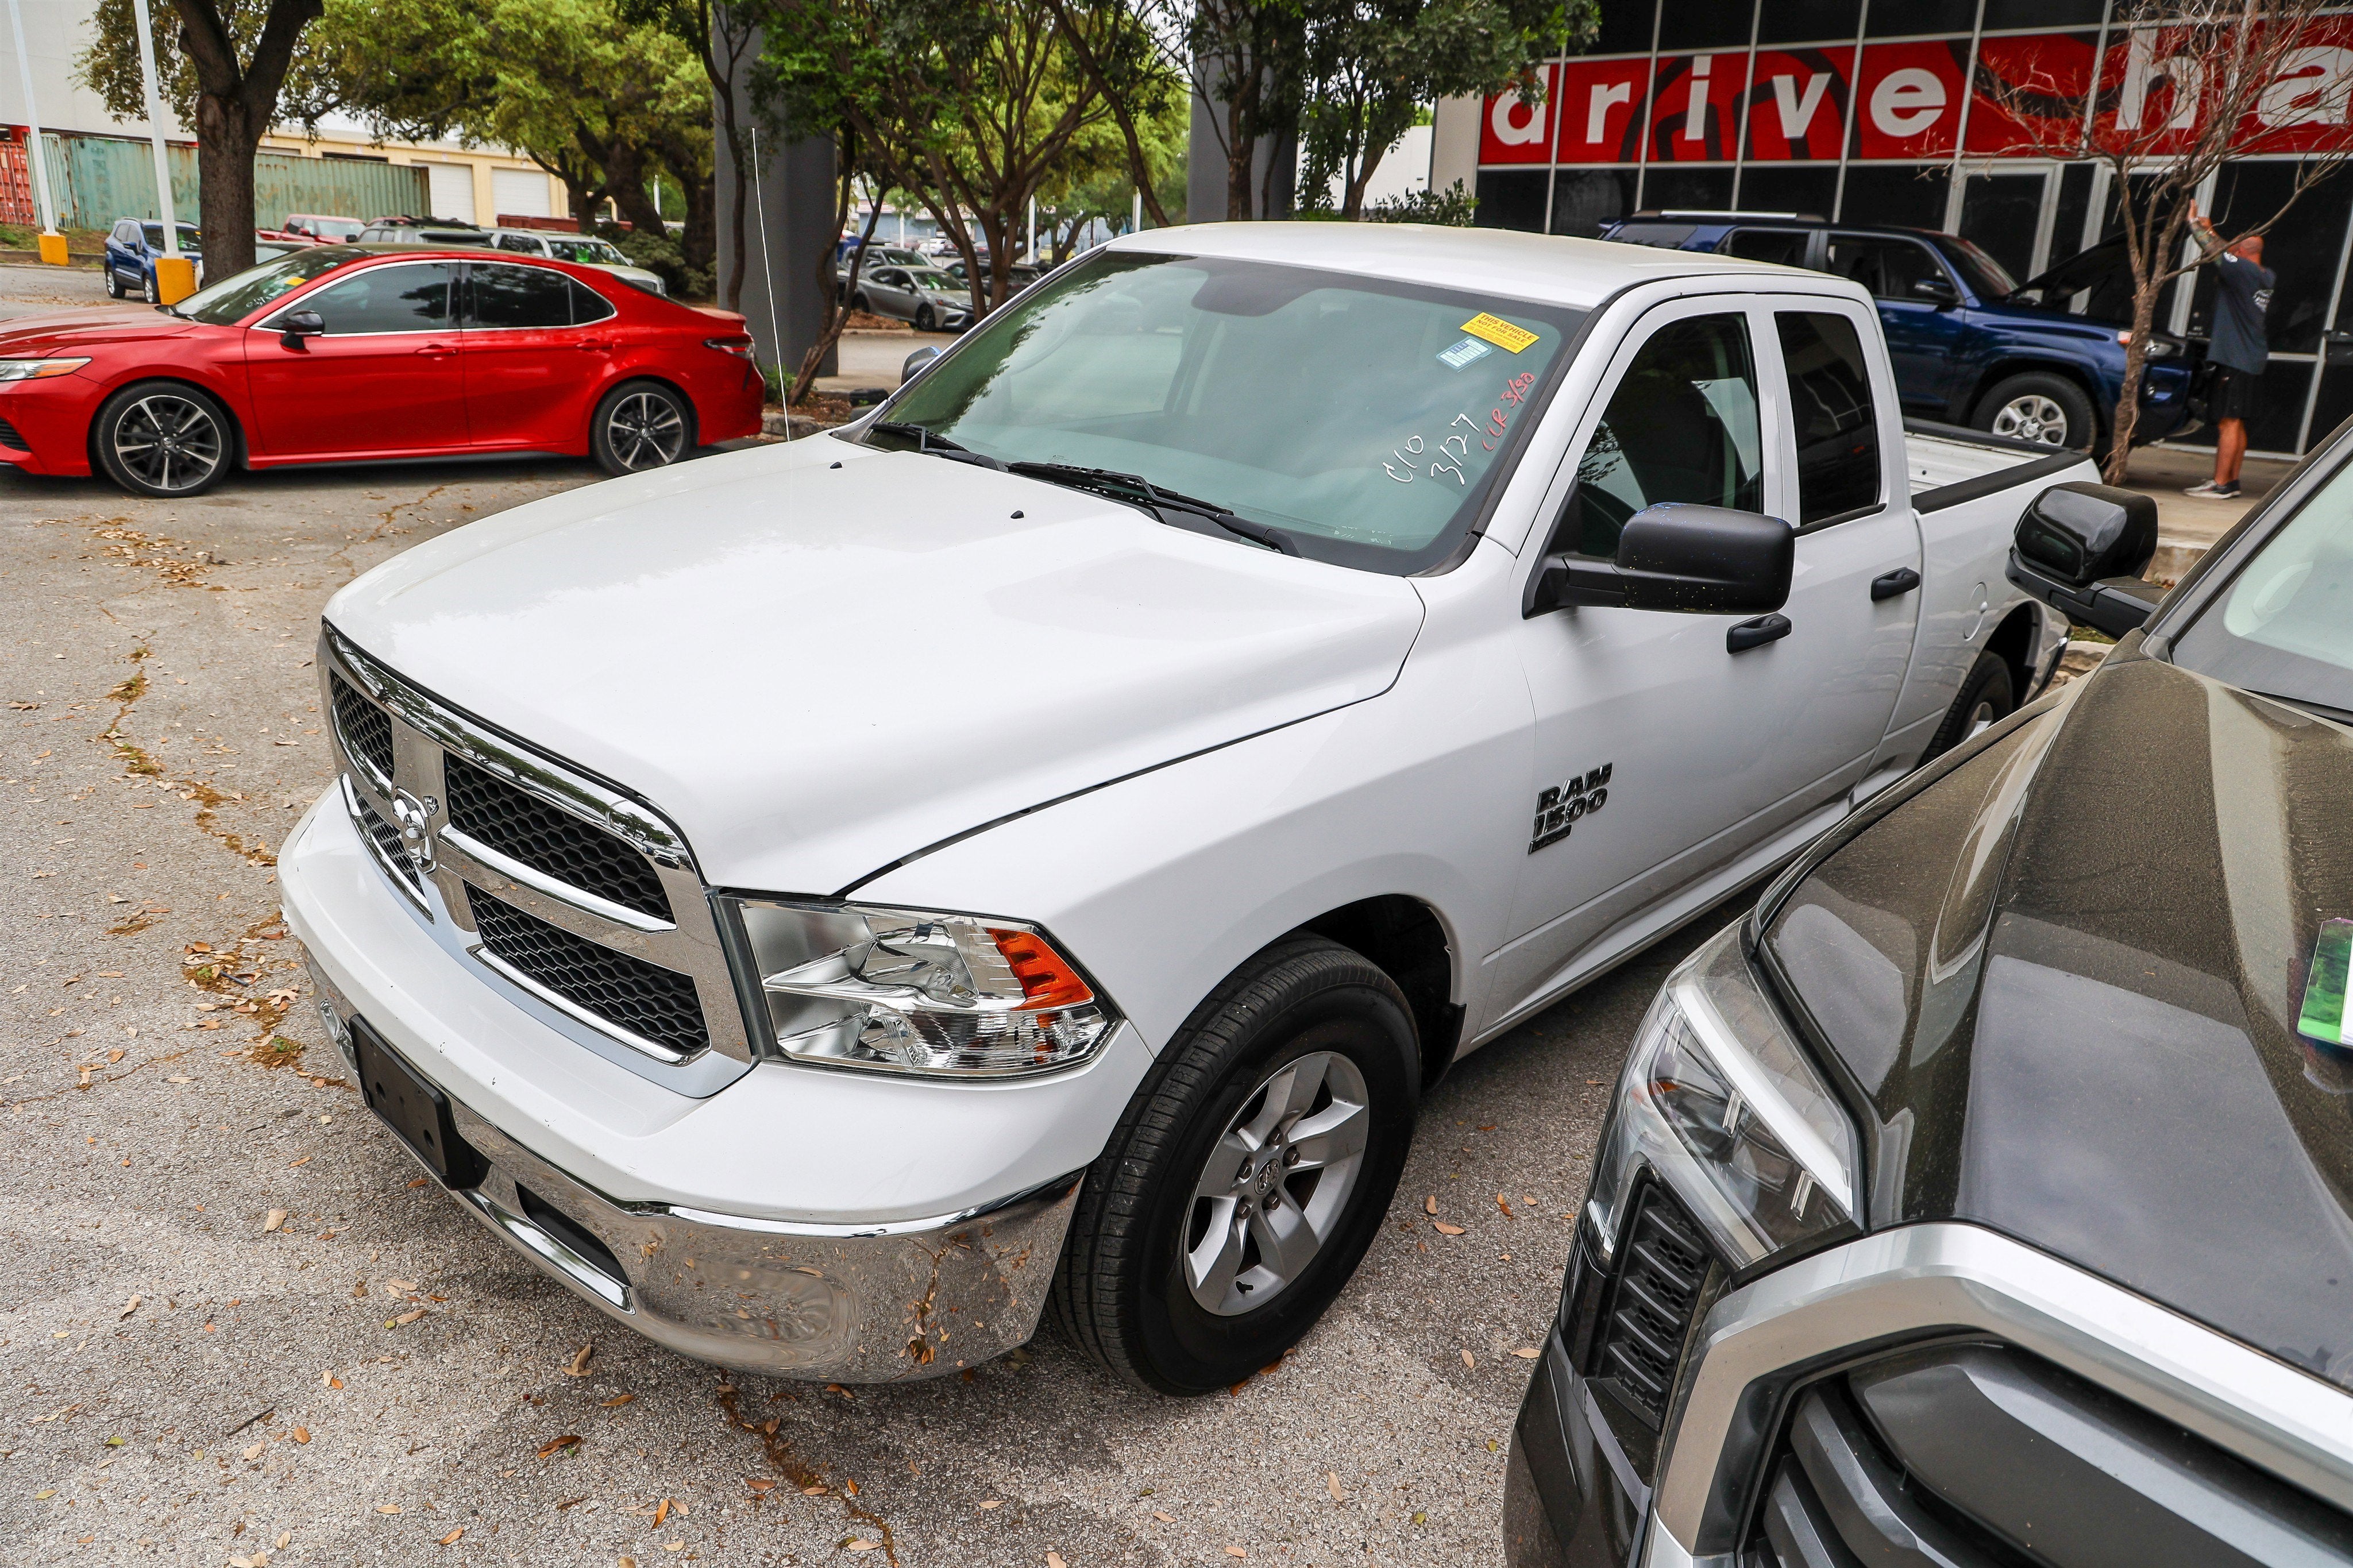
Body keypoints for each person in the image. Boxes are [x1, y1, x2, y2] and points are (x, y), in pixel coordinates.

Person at [2184, 202, 2276, 501]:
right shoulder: (2264, 275)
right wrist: (2214, 230)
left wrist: (2196, 225)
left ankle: (2221, 483)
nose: (2230, 252)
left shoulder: (2244, 272)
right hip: (2249, 357)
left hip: (2236, 357)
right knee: (2237, 421)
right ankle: (2231, 481)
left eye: (2234, 249)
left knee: (2228, 421)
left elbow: (2214, 251)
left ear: (2242, 253)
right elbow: (2225, 250)